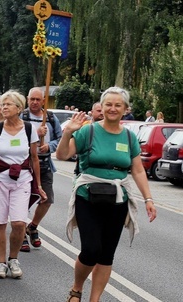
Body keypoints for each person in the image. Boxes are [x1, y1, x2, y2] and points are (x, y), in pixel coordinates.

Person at [55, 87, 157, 302]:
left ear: (125, 109)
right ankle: (76, 288)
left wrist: (148, 199)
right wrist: (67, 132)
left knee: (106, 253)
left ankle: (95, 299)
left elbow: (137, 170)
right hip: (87, 196)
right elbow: (62, 154)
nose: (112, 108)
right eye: (108, 104)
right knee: (91, 250)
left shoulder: (129, 137)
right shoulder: (88, 131)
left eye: (117, 105)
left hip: (118, 199)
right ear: (101, 107)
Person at [0, 90, 46, 279]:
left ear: (19, 108)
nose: (3, 107)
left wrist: (38, 185)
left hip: (22, 180)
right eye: (2, 105)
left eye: (8, 104)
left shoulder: (30, 129)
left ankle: (13, 259)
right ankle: (1, 264)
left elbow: (34, 158)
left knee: (18, 223)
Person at [20, 87, 62, 252]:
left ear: (43, 100)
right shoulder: (21, 117)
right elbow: (13, 138)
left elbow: (60, 138)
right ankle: (21, 231)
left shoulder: (50, 118)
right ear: (27, 99)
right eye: (32, 99)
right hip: (24, 163)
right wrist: (34, 134)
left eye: (38, 100)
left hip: (44, 163)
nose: (35, 102)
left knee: (47, 199)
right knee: (23, 200)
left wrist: (49, 146)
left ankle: (33, 226)